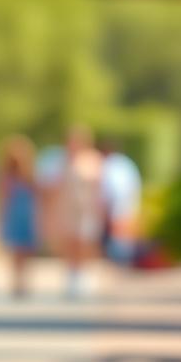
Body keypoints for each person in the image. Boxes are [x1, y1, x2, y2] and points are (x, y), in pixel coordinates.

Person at [53, 125, 105, 299]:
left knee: (85, 242)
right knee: (70, 241)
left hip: (87, 208)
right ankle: (71, 275)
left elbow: (99, 187)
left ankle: (83, 274)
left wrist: (99, 208)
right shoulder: (65, 160)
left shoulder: (93, 160)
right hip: (68, 207)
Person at [0, 135, 39, 297]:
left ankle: (24, 281)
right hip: (14, 216)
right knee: (17, 251)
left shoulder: (30, 176)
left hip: (27, 216)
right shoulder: (7, 178)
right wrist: (0, 220)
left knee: (27, 250)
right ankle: (18, 281)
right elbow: (2, 200)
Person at [97, 138, 143, 266]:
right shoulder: (126, 164)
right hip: (128, 207)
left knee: (118, 241)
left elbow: (111, 192)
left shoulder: (110, 167)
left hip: (116, 208)